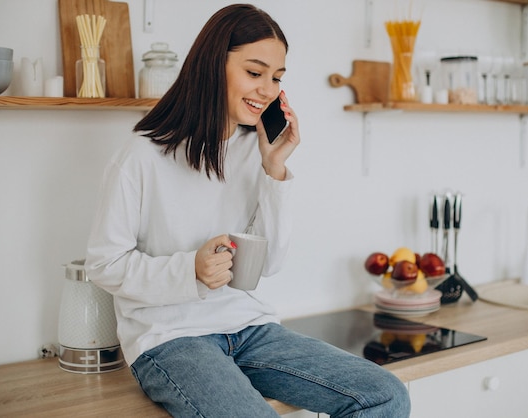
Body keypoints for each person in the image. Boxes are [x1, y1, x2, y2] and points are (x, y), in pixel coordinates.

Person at [85, 4, 410, 417]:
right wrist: (191, 272)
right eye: (254, 73)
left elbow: (268, 264)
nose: (267, 89)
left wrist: (274, 170)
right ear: (210, 66)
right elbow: (104, 264)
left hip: (249, 328)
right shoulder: (142, 156)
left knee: (386, 393)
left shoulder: (255, 150)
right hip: (169, 338)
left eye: (276, 78)